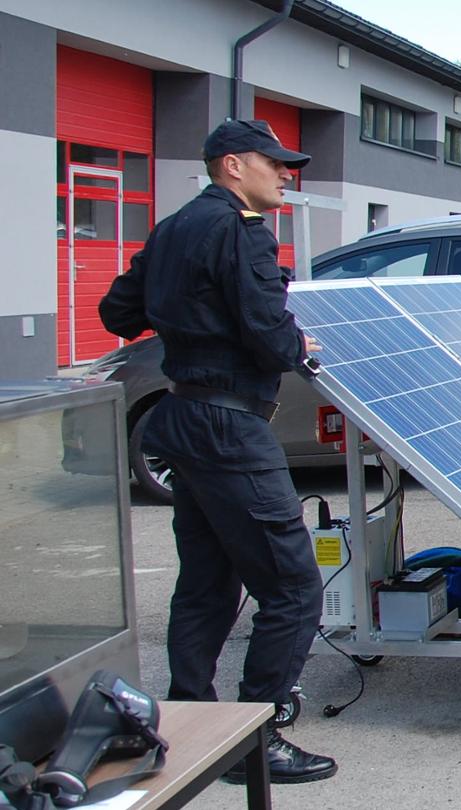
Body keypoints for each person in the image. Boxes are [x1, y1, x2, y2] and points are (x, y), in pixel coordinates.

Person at [96, 119, 335, 783]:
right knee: (291, 585)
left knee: (207, 582)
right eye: (275, 164)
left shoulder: (174, 228)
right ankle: (258, 736)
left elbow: (117, 313)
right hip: (230, 428)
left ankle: (187, 724)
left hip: (180, 419)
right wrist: (298, 347)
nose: (286, 174)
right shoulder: (241, 230)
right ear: (233, 166)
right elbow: (267, 333)